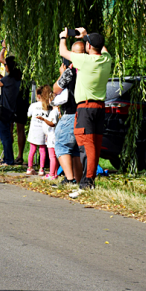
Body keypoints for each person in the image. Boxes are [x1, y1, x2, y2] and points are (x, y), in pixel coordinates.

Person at [58, 27, 112, 196]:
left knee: (86, 144)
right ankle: (89, 180)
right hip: (99, 108)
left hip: (85, 108)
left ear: (88, 47)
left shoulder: (84, 60)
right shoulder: (106, 60)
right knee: (94, 144)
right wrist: (88, 35)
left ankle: (87, 182)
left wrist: (63, 37)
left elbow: (63, 51)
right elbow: (103, 48)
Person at [52, 42, 85, 187]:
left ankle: (69, 179)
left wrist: (62, 74)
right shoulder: (89, 68)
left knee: (62, 144)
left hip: (71, 113)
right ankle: (79, 181)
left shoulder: (70, 71)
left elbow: (56, 89)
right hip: (85, 113)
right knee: (77, 150)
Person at [0, 56, 23, 166]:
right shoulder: (16, 79)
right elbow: (4, 82)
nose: (5, 66)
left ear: (8, 67)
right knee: (7, 135)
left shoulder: (7, 80)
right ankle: (8, 158)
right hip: (11, 110)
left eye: (5, 64)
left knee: (5, 137)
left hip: (3, 110)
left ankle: (8, 160)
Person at [25, 85, 53, 176]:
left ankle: (30, 168)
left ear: (38, 96)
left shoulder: (33, 105)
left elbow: (28, 114)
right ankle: (41, 169)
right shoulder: (48, 107)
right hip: (43, 132)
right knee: (42, 150)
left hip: (33, 131)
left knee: (32, 150)